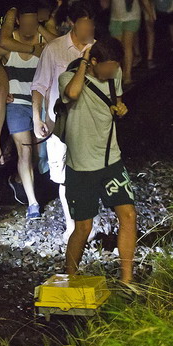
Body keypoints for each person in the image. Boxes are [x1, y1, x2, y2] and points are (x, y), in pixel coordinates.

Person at [58, 37, 137, 288]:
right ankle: (71, 277)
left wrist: (121, 107)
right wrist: (82, 63)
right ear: (93, 62)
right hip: (81, 166)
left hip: (111, 158)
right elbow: (71, 93)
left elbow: (117, 100)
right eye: (108, 66)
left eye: (116, 66)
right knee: (83, 227)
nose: (113, 71)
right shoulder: (69, 78)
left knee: (128, 214)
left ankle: (127, 280)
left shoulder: (114, 73)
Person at [31, 3, 96, 241]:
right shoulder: (55, 49)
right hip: (59, 124)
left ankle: (88, 221)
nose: (89, 28)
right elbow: (39, 85)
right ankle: (72, 224)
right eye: (84, 23)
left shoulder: (98, 50)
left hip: (90, 124)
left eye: (92, 23)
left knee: (89, 173)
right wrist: (37, 118)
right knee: (63, 176)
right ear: (72, 23)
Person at [0, 4, 44, 219]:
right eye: (25, 23)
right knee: (24, 152)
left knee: (36, 156)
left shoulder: (44, 42)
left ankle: (18, 180)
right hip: (16, 105)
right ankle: (33, 204)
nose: (29, 28)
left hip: (38, 105)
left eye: (33, 24)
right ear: (17, 22)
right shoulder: (7, 46)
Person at [99, 0, 155, 85]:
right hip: (116, 19)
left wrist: (150, 14)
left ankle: (127, 74)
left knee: (127, 45)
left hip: (131, 17)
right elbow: (106, 3)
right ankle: (119, 74)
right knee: (117, 48)